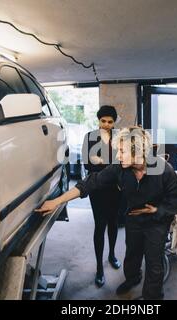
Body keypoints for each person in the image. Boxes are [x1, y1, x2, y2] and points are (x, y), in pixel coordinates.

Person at [36, 127, 177, 300]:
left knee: (154, 264)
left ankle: (152, 298)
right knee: (132, 255)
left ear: (137, 151)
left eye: (122, 151)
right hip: (133, 217)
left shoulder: (162, 169)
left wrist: (158, 210)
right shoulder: (119, 169)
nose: (117, 156)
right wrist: (57, 201)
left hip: (157, 221)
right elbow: (90, 183)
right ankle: (132, 278)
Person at [81, 105, 121, 287]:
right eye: (103, 121)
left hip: (116, 188)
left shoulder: (120, 137)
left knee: (113, 223)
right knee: (100, 225)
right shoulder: (90, 137)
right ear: (98, 120)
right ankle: (99, 267)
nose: (106, 124)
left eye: (110, 121)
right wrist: (108, 162)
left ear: (114, 122)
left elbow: (122, 162)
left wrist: (100, 160)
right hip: (97, 187)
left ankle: (112, 254)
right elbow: (87, 163)